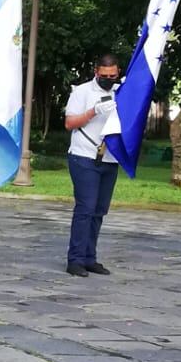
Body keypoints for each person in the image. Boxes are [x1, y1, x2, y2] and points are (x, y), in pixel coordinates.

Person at [65, 55, 123, 276]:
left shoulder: (121, 92)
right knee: (85, 208)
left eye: (113, 76)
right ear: (96, 72)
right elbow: (70, 123)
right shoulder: (82, 92)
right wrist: (93, 111)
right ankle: (75, 259)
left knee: (99, 211)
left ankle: (90, 257)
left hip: (109, 157)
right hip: (84, 155)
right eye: (104, 75)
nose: (108, 79)